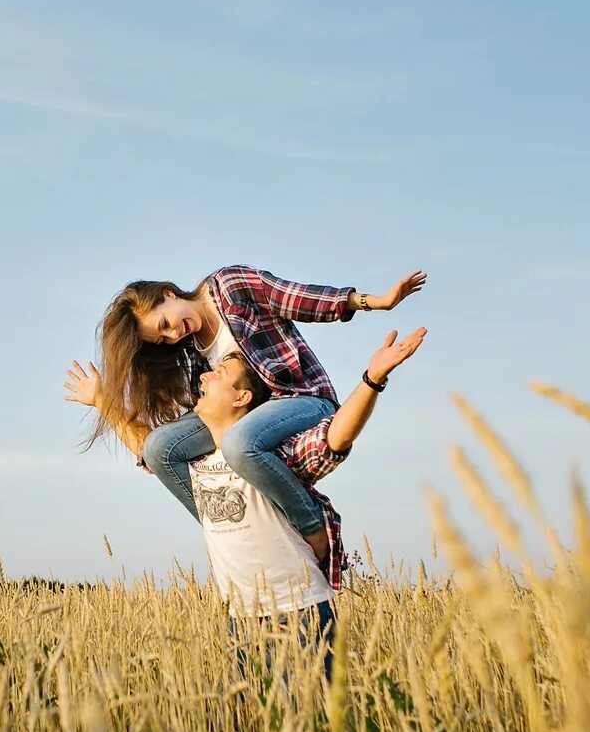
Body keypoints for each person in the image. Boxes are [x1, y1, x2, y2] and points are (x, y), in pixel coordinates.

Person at [65, 266, 425, 556]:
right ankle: (230, 534)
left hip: (299, 399)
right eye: (162, 340)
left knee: (239, 442)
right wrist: (103, 399)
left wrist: (373, 301)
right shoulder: (190, 349)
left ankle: (311, 525)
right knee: (161, 448)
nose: (173, 336)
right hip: (245, 417)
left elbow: (294, 297)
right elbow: (165, 440)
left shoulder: (229, 286)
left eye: (164, 325)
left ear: (168, 294)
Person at [187, 326, 426, 680]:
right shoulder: (195, 464)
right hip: (240, 620)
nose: (204, 377)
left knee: (312, 723)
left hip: (298, 613)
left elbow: (334, 439)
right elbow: (147, 449)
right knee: (252, 725)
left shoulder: (272, 456)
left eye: (219, 374)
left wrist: (371, 379)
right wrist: (103, 401)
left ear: (241, 398)